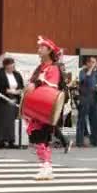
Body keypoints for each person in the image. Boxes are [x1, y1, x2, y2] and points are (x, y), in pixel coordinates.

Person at [25, 36, 64, 181]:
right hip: (36, 107)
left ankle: (47, 166)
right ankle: (44, 167)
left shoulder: (53, 68)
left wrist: (37, 84)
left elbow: (51, 88)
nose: (39, 49)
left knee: (42, 138)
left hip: (44, 107)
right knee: (37, 138)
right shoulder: (39, 68)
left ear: (49, 51)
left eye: (42, 47)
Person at [0, 57, 24, 148]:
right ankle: (2, 140)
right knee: (4, 121)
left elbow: (21, 85)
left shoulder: (17, 74)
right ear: (6, 66)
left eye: (13, 65)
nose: (12, 67)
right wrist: (10, 91)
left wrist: (18, 91)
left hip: (15, 100)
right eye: (10, 65)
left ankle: (11, 140)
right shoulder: (1, 74)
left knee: (12, 121)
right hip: (4, 100)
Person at [77, 57, 97, 147]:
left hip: (94, 98)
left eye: (95, 62)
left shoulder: (96, 73)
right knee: (82, 120)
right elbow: (84, 80)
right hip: (85, 98)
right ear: (87, 63)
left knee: (95, 120)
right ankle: (79, 141)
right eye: (92, 62)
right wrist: (91, 68)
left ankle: (94, 140)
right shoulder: (83, 71)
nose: (94, 64)